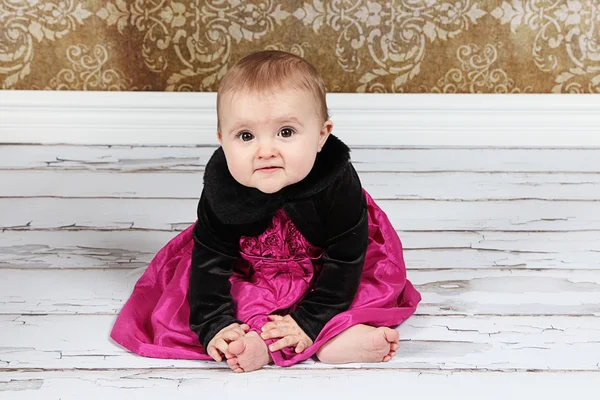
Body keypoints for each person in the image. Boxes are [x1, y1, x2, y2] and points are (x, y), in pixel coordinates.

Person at [110, 50, 421, 373]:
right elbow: (211, 261)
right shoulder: (223, 188)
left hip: (332, 270)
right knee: (224, 295)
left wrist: (309, 320)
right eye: (245, 136)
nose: (266, 151)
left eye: (286, 132)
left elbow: (347, 259)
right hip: (255, 268)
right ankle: (257, 343)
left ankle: (331, 336)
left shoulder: (337, 181)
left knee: (368, 286)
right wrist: (215, 324)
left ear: (321, 135)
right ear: (222, 141)